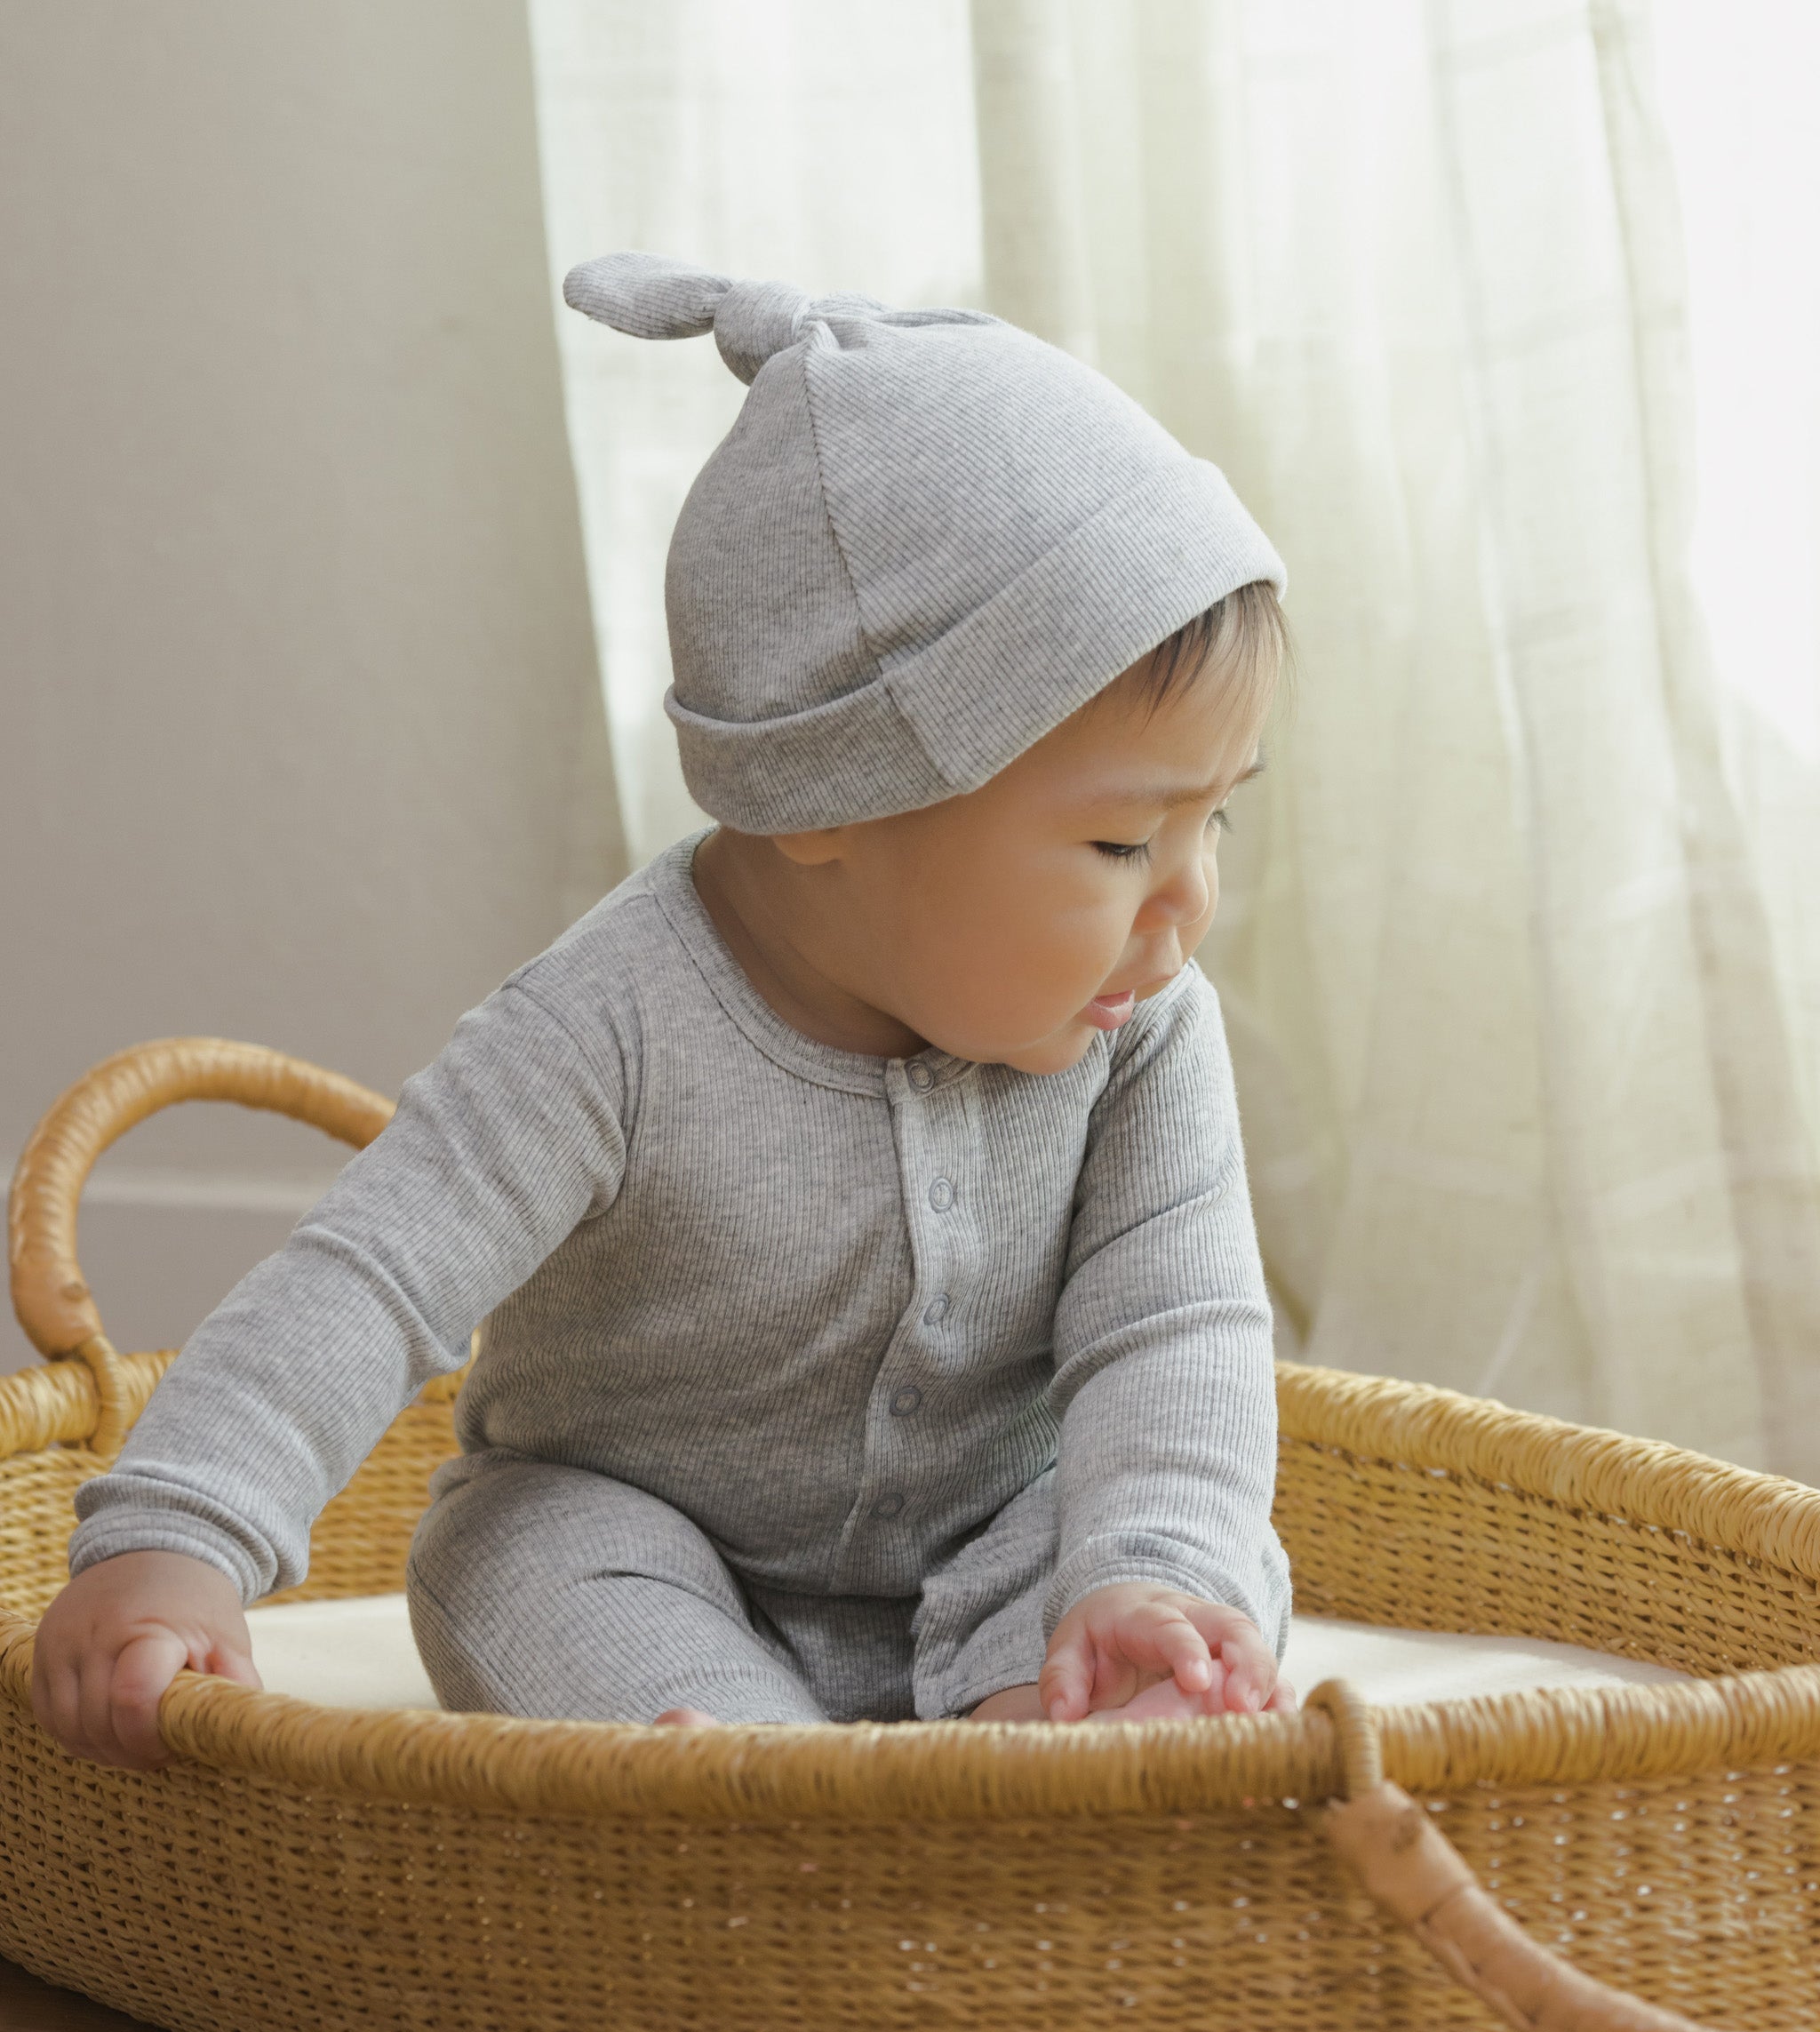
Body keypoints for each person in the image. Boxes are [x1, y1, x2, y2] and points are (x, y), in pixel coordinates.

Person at [31, 252, 1297, 1772]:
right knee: (524, 1554)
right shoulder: (601, 1032)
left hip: (992, 1524)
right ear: (827, 797)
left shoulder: (1141, 1020)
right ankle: (736, 1773)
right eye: (1120, 843)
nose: (1189, 903)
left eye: (1215, 823)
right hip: (640, 1522)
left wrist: (1149, 1571)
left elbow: (1177, 1331)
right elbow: (366, 1280)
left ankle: (1070, 1705)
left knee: (1164, 1528)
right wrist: (175, 1533)